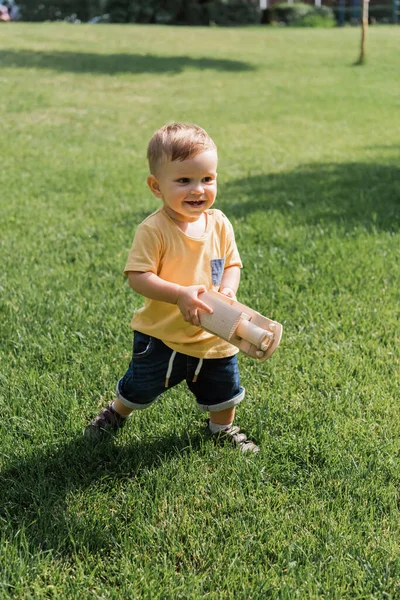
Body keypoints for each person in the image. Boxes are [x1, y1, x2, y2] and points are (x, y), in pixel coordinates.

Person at [84, 123, 259, 453]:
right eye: (184, 181)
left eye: (207, 179)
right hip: (162, 334)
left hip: (214, 329)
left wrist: (227, 289)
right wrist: (179, 294)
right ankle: (115, 412)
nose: (198, 189)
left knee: (224, 385)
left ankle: (221, 428)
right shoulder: (155, 230)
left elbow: (232, 264)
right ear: (156, 186)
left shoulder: (219, 223)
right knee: (141, 386)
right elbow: (138, 276)